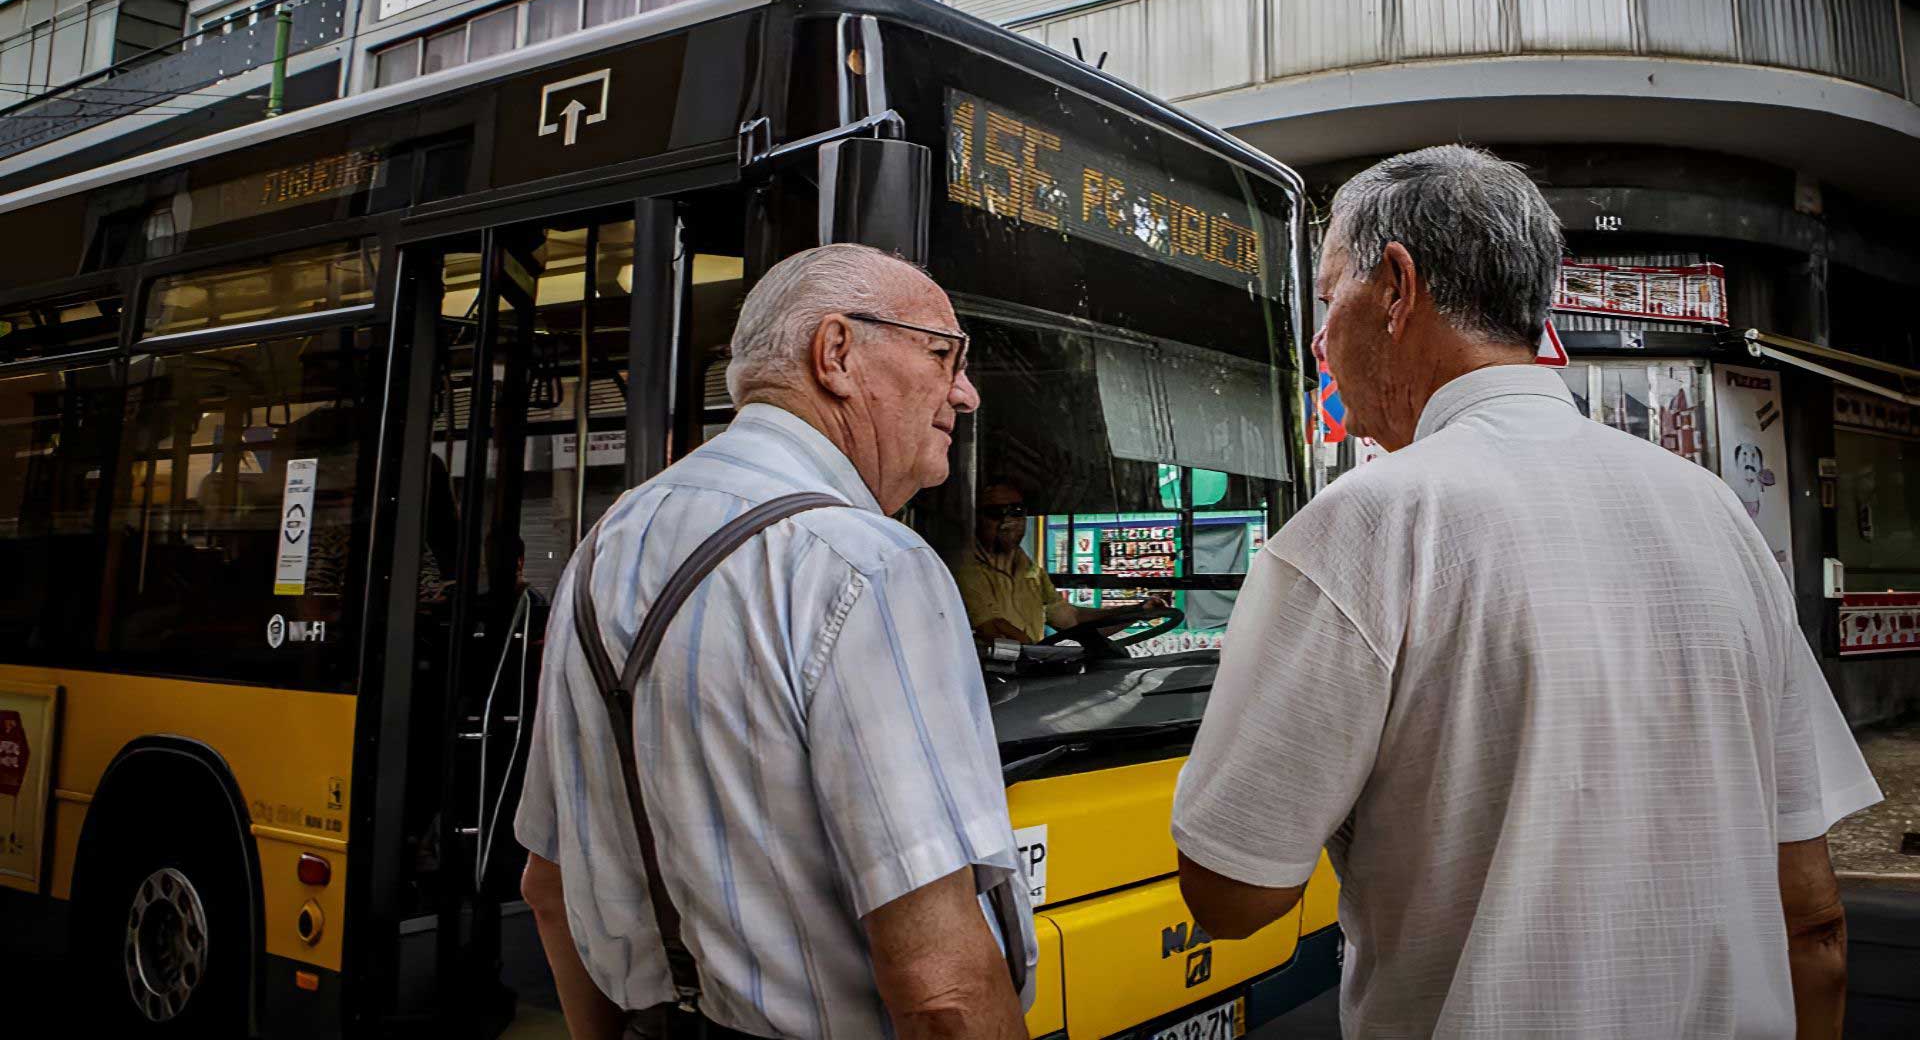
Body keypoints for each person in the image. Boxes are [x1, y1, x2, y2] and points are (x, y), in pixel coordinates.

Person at [1170, 145, 1881, 1038]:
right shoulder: (1719, 515)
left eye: (1325, 298)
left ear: (1397, 287)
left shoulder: (1363, 528)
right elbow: (1812, 921)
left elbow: (1233, 893)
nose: (1319, 342)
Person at [514, 244, 1036, 1039]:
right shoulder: (869, 564)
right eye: (943, 355)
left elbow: (548, 885)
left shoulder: (607, 545)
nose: (963, 394)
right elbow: (944, 994)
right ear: (836, 353)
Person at [954, 480, 1170, 644]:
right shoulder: (964, 569)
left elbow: (1073, 621)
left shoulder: (1031, 572)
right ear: (975, 518)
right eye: (994, 513)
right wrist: (1042, 659)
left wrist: (1136, 611)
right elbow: (992, 629)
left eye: (1016, 511)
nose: (1007, 520)